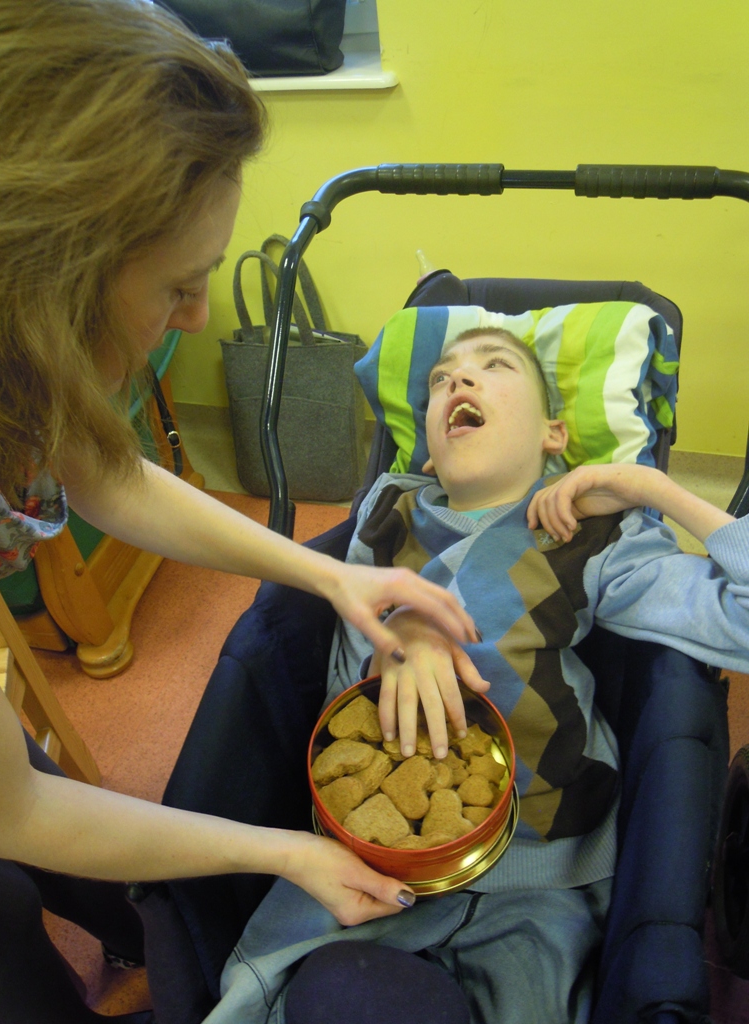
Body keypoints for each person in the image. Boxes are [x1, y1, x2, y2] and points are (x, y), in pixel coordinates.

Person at [0, 3, 479, 1022]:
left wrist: (330, 571)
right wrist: (286, 850)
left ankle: (133, 926)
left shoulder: (22, 367)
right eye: (180, 285)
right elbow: (12, 810)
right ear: (46, 285)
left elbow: (106, 472)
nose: (201, 316)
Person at [211, 326, 749, 1024]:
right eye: (440, 378)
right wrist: (402, 634)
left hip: (541, 875)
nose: (458, 382)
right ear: (428, 451)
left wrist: (649, 487)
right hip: (372, 862)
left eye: (493, 367)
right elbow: (341, 684)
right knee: (277, 994)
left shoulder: (591, 536)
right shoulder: (387, 516)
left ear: (554, 435)